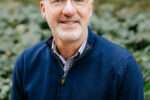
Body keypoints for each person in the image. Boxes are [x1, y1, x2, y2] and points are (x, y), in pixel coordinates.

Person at [11, 0, 144, 100]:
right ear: (44, 10)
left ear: (90, 8)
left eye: (79, 0)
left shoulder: (123, 66)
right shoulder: (26, 63)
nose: (69, 10)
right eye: (58, 0)